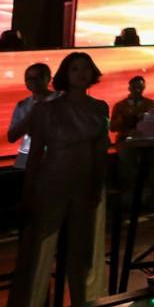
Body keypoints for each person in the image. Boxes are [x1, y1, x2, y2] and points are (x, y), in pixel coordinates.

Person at [9, 53, 109, 307]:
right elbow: (35, 154)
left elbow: (100, 153)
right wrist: (28, 192)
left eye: (86, 68)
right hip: (52, 181)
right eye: (75, 69)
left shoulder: (99, 107)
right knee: (39, 251)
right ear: (66, 74)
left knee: (81, 251)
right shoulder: (46, 110)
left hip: (84, 184)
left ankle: (82, 301)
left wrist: (97, 186)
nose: (81, 73)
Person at [7, 63, 55, 170]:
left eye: (38, 77)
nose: (33, 81)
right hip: (27, 153)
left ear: (49, 78)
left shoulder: (61, 99)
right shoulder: (22, 105)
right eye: (29, 78)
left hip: (56, 154)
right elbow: (11, 137)